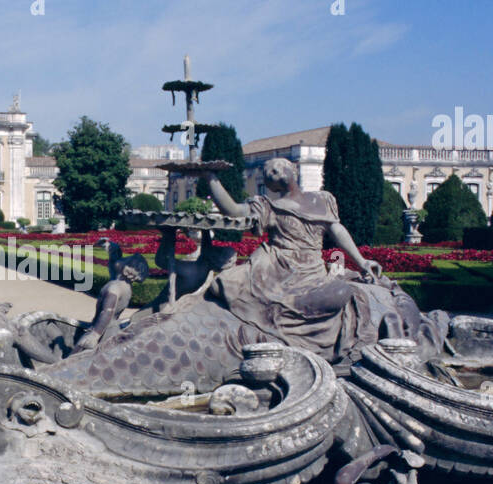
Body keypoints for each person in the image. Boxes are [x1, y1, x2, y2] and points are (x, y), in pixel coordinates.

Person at [40, 158, 438, 393]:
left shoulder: (322, 200)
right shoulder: (266, 205)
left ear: (294, 171)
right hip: (277, 272)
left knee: (350, 296)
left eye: (277, 166)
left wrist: (359, 260)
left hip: (313, 272)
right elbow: (232, 211)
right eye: (268, 169)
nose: (272, 169)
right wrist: (210, 179)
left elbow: (337, 231)